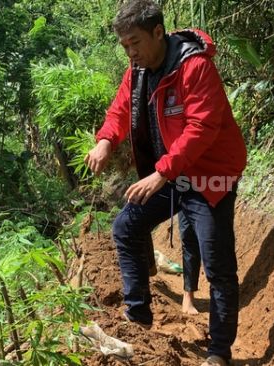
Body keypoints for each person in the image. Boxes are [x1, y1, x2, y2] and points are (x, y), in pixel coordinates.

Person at [84, 1, 247, 365]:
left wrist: (161, 172)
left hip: (208, 177)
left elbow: (201, 128)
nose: (131, 52)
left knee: (217, 264)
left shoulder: (196, 67)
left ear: (159, 33)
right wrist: (106, 140)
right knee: (126, 226)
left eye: (135, 43)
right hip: (172, 174)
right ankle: (138, 317)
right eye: (124, 46)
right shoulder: (138, 71)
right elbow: (120, 110)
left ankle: (219, 352)